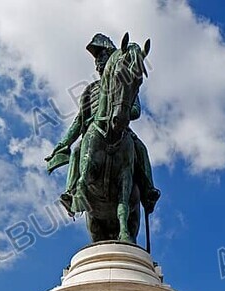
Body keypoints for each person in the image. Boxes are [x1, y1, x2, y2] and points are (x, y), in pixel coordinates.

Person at [45, 33, 159, 217]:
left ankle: (149, 191)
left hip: (121, 127)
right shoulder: (91, 89)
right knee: (77, 152)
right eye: (96, 59)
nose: (98, 62)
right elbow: (80, 119)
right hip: (95, 131)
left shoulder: (125, 79)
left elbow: (136, 110)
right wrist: (63, 144)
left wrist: (122, 112)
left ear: (112, 58)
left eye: (102, 57)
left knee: (141, 149)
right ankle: (72, 192)